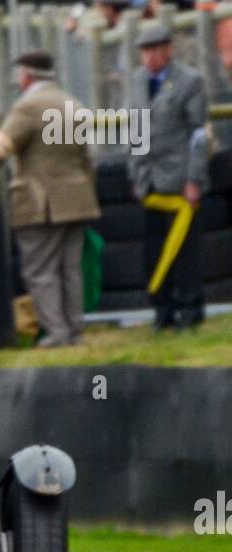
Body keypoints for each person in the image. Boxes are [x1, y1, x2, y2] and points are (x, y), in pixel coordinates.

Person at [0, 51, 100, 348]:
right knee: (70, 268)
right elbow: (87, 159)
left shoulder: (27, 108)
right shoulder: (73, 104)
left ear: (26, 75)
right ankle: (74, 331)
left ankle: (57, 332)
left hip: (41, 202)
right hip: (77, 198)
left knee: (41, 270)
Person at [130, 20, 210, 328]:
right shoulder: (137, 81)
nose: (149, 58)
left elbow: (198, 135)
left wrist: (194, 179)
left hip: (179, 180)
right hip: (150, 182)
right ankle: (162, 310)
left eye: (154, 50)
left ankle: (191, 310)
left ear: (168, 50)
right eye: (144, 52)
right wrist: (136, 175)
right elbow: (135, 130)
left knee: (186, 251)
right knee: (153, 249)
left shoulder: (190, 81)